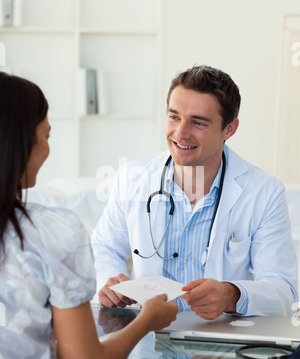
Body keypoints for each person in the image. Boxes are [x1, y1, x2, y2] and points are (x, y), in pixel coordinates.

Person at [0, 72, 178, 359]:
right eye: (47, 135)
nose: (47, 147)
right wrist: (148, 320)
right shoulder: (50, 231)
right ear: (18, 142)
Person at [91, 65, 298, 319]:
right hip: (145, 335)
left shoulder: (264, 193)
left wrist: (232, 295)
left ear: (229, 129)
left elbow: (284, 291)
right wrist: (110, 282)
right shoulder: (132, 177)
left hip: (218, 346)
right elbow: (105, 247)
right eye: (174, 117)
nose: (180, 133)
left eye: (198, 122)